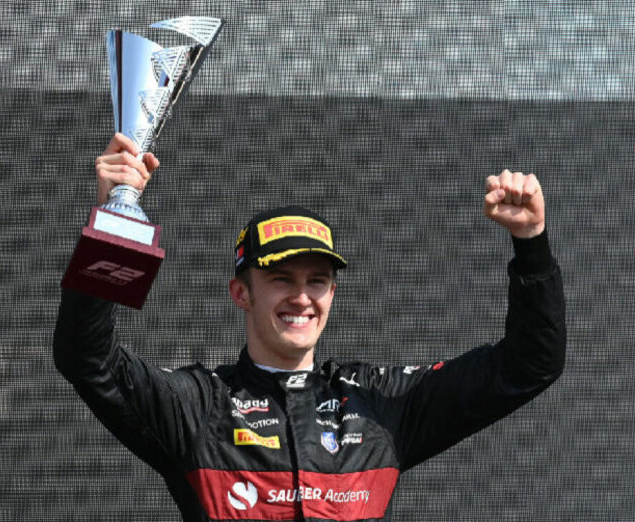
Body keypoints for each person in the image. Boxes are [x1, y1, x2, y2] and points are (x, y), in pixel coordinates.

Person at [54, 133, 565, 521]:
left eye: (317, 280)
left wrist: (532, 243)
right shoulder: (198, 406)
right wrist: (115, 220)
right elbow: (87, 357)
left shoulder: (381, 403)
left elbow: (529, 365)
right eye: (281, 279)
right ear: (241, 293)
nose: (301, 297)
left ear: (332, 294)